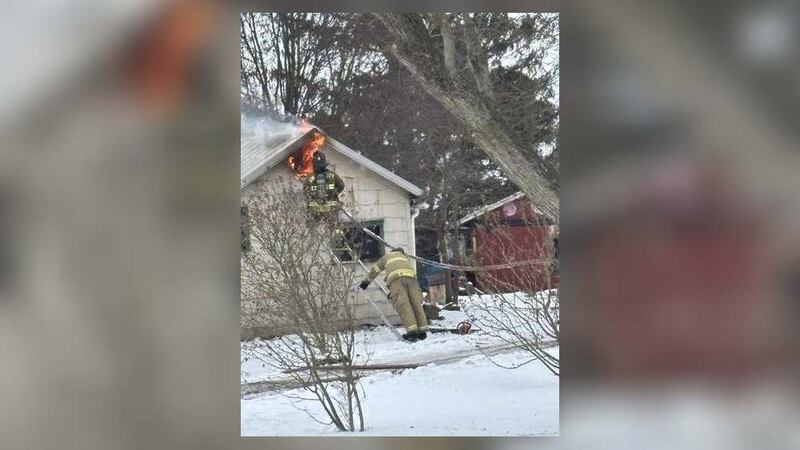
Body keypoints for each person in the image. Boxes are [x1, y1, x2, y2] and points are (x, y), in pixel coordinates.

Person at [359, 247, 428, 342]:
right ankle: (422, 331)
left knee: (403, 305)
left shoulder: (387, 256)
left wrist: (366, 282)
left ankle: (412, 332)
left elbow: (376, 269)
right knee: (416, 303)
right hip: (412, 279)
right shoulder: (404, 257)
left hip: (396, 279)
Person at [304, 152, 345, 221]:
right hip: (331, 210)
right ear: (325, 164)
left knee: (313, 226)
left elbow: (305, 192)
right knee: (334, 225)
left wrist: (313, 198)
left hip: (315, 211)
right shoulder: (332, 175)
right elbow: (341, 185)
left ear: (314, 165)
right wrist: (334, 194)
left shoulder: (309, 178)